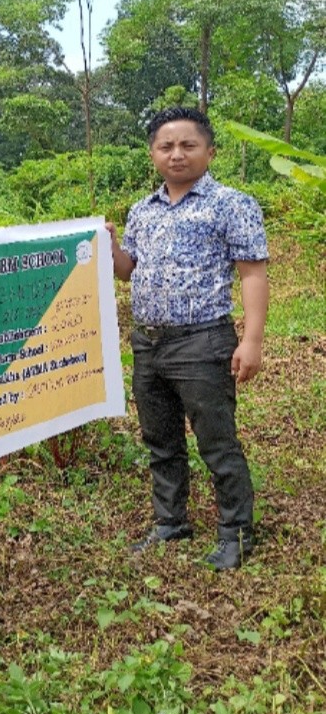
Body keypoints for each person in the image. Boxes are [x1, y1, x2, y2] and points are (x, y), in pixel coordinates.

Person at [106, 107, 269, 571]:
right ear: (153, 154)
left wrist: (251, 340)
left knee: (217, 441)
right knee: (161, 440)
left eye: (188, 145)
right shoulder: (142, 209)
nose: (176, 154)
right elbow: (127, 272)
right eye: (166, 146)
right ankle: (170, 522)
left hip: (203, 341)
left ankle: (236, 533)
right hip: (149, 342)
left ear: (209, 151)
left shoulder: (231, 204)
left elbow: (252, 274)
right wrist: (111, 245)